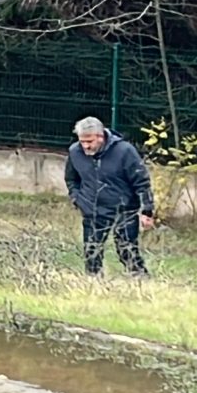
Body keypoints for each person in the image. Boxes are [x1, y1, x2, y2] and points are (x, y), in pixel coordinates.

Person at [64, 116, 155, 277]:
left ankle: (140, 280)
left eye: (89, 141)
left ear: (100, 136)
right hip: (92, 208)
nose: (85, 146)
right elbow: (71, 179)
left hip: (124, 209)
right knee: (92, 251)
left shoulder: (124, 151)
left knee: (127, 249)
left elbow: (141, 181)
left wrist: (146, 209)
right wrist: (77, 199)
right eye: (82, 141)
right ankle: (94, 283)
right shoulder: (74, 152)